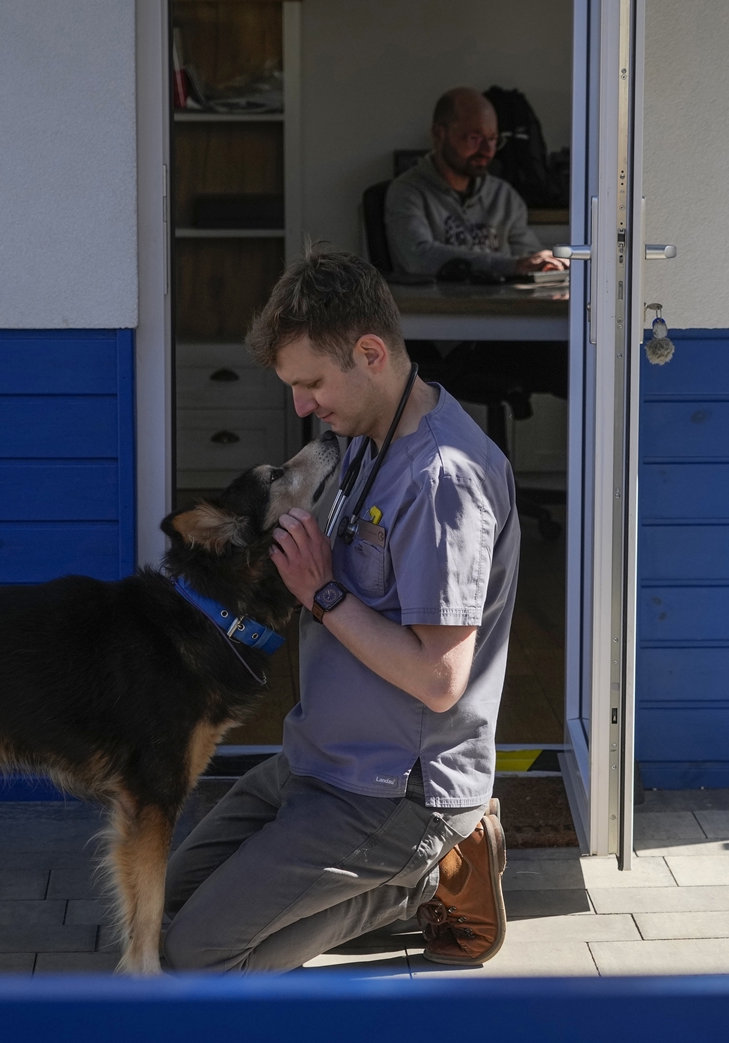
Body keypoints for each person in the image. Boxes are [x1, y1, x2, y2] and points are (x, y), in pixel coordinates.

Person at [161, 250, 519, 971]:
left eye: (311, 383)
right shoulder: (361, 437)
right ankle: (400, 873)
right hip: (317, 758)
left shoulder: (442, 484)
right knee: (159, 906)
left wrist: (324, 595)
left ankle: (424, 877)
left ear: (371, 354)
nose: (301, 406)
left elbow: (440, 680)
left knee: (194, 960)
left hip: (392, 791)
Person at [385, 87, 566, 278]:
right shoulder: (407, 192)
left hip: (504, 297)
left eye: (493, 139)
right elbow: (418, 258)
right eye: (474, 138)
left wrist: (545, 264)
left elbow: (528, 257)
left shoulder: (504, 197)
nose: (487, 150)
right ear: (438, 134)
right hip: (438, 298)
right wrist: (510, 266)